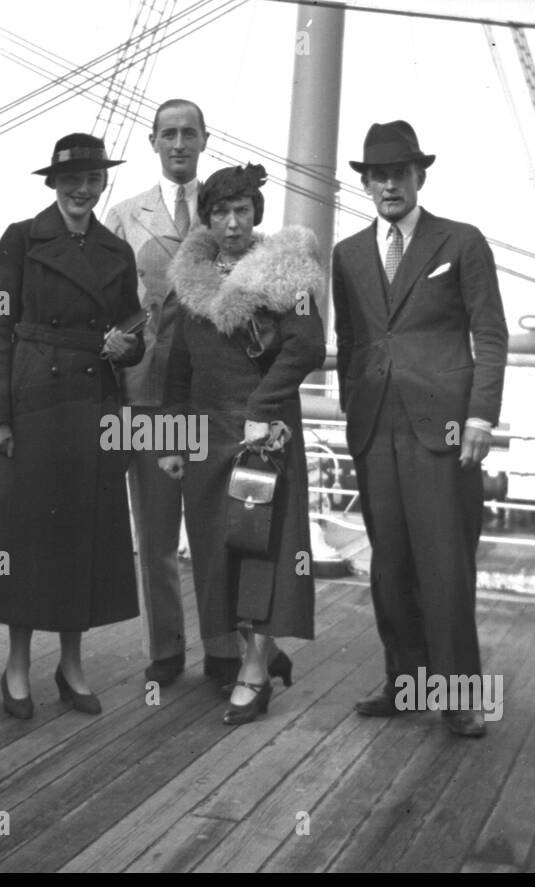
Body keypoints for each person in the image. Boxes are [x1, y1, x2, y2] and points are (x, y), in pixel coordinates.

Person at [332, 120, 508, 737]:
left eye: (398, 175)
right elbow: (350, 340)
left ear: (419, 177)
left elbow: (490, 334)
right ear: (366, 183)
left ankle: (461, 696)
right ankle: (406, 685)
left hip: (445, 429)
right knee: (390, 564)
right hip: (376, 426)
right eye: (376, 176)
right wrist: (354, 406)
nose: (387, 186)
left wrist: (482, 415)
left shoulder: (461, 242)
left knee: (446, 563)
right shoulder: (348, 254)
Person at [0, 133, 145, 719]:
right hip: (32, 404)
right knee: (24, 541)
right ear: (53, 183)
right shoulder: (20, 240)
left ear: (103, 184)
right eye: (72, 180)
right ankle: (16, 667)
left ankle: (71, 666)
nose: (82, 190)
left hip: (93, 406)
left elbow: (132, 334)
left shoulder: (116, 254)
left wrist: (127, 347)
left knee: (81, 540)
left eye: (93, 180)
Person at [158, 163, 326, 725]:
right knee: (215, 550)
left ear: (256, 215)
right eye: (222, 213)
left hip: (265, 431)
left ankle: (255, 674)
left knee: (263, 551)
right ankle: (260, 651)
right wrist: (173, 439)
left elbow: (306, 347)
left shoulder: (286, 273)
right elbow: (177, 369)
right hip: (206, 436)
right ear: (207, 218)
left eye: (243, 212)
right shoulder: (192, 280)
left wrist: (261, 408)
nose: (233, 223)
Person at [104, 98, 241, 689]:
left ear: (206, 139)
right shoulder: (126, 214)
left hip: (210, 395)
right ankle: (164, 646)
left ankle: (222, 647)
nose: (179, 143)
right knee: (156, 530)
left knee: (213, 528)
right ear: (153, 141)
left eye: (189, 133)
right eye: (169, 134)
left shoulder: (226, 211)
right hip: (149, 392)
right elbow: (107, 302)